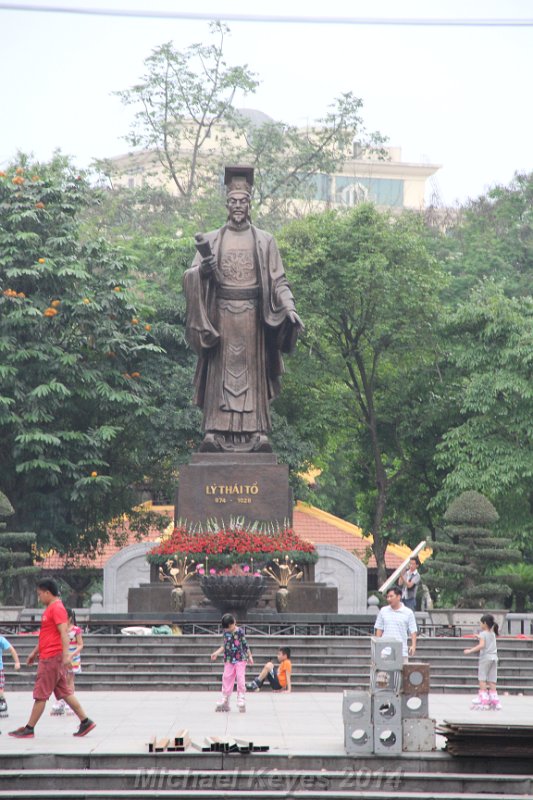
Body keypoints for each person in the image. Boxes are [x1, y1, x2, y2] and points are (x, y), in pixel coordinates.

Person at [183, 166, 304, 453]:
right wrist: (203, 272)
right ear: (227, 205)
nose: (238, 206)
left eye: (243, 202)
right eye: (233, 202)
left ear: (250, 205)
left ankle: (257, 433)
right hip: (221, 317)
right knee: (221, 375)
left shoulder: (264, 240)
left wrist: (289, 306)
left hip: (253, 317)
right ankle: (214, 431)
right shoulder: (213, 239)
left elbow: (279, 281)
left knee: (252, 376)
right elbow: (189, 275)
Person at [8, 579, 95, 738]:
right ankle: (85, 722)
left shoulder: (57, 609)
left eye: (40, 594)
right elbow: (47, 636)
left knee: (41, 693)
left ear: (48, 592)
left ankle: (29, 728)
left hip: (51, 658)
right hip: (49, 655)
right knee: (65, 692)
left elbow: (64, 633)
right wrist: (34, 653)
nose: (39, 597)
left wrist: (66, 655)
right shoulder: (51, 609)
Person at [210, 613, 253, 712]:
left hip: (240, 659)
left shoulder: (240, 632)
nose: (228, 630)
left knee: (240, 677)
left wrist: (250, 656)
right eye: (226, 629)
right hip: (229, 659)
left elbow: (245, 645)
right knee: (226, 677)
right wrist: (216, 653)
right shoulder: (226, 632)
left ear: (234, 623)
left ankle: (241, 696)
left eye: (229, 628)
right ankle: (225, 698)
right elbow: (224, 645)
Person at [464, 613, 501, 710]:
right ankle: (494, 699)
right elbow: (486, 640)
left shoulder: (483, 634)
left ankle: (483, 698)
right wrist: (479, 637)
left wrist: (470, 650)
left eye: (480, 623)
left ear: (485, 623)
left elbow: (482, 645)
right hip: (494, 658)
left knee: (482, 678)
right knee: (492, 679)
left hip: (485, 658)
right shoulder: (492, 634)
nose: (480, 624)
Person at [50, 608, 83, 716]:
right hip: (62, 657)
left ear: (69, 618)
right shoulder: (61, 630)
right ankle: (61, 700)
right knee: (60, 679)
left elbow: (80, 644)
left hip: (73, 658)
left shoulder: (76, 630)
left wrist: (72, 655)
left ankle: (70, 702)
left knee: (69, 680)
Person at [374, 586, 418, 663]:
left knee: (401, 674)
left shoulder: (408, 612)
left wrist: (413, 645)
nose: (389, 599)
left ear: (398, 597)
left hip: (401, 651)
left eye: (391, 596)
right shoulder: (383, 611)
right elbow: (379, 629)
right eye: (387, 597)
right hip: (385, 651)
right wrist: (378, 647)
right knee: (383, 674)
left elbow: (413, 630)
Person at [0, 634, 21, 718]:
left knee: (0, 687)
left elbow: (11, 649)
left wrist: (17, 662)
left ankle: (2, 701)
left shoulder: (1, 639)